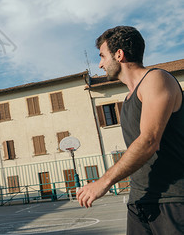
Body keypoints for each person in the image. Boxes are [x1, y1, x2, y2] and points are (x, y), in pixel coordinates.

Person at [77, 26, 184, 233]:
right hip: (139, 202)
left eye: (102, 56)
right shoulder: (127, 101)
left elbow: (149, 140)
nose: (100, 64)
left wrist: (104, 182)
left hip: (172, 200)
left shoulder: (156, 79)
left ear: (119, 54)